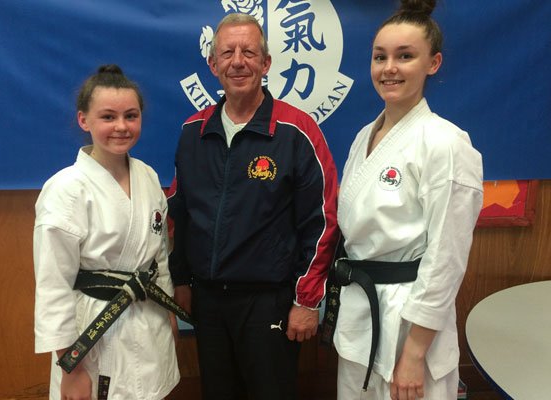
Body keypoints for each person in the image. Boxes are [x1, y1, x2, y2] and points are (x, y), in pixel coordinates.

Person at [167, 13, 338, 400]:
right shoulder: (193, 131)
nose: (238, 61)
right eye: (227, 52)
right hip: (208, 302)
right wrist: (180, 280)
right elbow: (180, 212)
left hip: (270, 302)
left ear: (266, 63)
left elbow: (323, 222)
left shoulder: (296, 131)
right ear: (213, 65)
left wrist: (306, 301)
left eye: (249, 52)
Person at [331, 1, 484, 399]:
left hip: (411, 322)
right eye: (380, 57)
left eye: (405, 56)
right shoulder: (364, 136)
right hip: (360, 314)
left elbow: (446, 257)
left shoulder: (446, 143)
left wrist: (415, 352)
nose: (389, 68)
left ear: (433, 64)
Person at [33, 64, 179, 400]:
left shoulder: (148, 177)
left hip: (149, 317)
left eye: (131, 116)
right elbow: (53, 285)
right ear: (84, 120)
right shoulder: (65, 189)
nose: (121, 127)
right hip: (94, 333)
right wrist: (69, 365)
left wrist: (168, 312)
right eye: (108, 117)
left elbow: (159, 256)